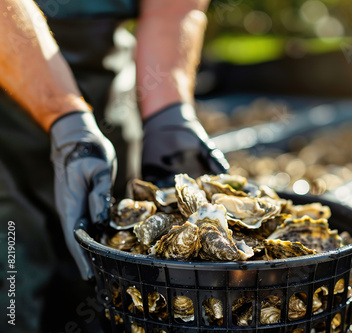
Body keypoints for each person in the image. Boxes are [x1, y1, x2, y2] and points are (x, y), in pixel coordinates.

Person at [0, 0, 229, 331]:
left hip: (109, 94)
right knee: (13, 284)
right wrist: (63, 118)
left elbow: (175, 6)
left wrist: (168, 110)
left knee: (105, 286)